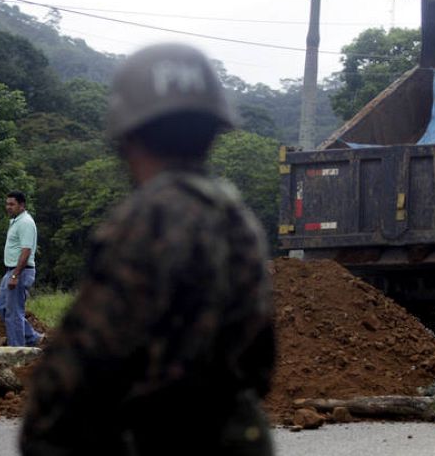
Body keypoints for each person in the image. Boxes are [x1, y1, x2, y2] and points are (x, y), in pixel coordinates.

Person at [20, 44, 276, 456]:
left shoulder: (148, 217)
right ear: (213, 130)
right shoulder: (239, 219)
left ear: (128, 135)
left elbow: (84, 362)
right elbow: (260, 359)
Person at [0, 190, 43, 347]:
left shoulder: (25, 223)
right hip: (11, 270)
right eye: (7, 204)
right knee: (2, 307)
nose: (8, 207)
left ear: (22, 205)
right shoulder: (16, 221)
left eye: (12, 204)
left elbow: (26, 251)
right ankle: (33, 338)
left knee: (14, 313)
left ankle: (17, 351)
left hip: (21, 271)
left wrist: (15, 275)